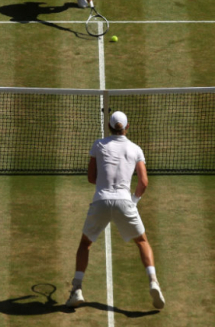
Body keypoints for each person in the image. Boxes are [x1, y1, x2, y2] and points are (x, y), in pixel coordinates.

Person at [66, 111, 165, 310]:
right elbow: (144, 182)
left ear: (109, 127)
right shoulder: (136, 149)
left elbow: (91, 178)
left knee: (85, 244)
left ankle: (77, 289)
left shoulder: (98, 145)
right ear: (127, 127)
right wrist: (133, 201)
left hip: (101, 200)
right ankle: (153, 281)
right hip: (125, 202)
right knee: (142, 241)